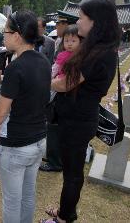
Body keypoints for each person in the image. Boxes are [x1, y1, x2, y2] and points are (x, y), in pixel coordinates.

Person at [41, 0, 120, 223]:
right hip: (75, 117)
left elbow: (66, 83)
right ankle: (66, 211)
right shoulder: (95, 48)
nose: (79, 21)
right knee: (71, 172)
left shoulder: (100, 53)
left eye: (83, 17)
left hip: (78, 121)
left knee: (72, 175)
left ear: (95, 22)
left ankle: (65, 218)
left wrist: (45, 79)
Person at [0, 11, 50, 223]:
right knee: (27, 195)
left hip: (16, 144)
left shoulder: (15, 67)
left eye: (5, 32)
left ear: (16, 35)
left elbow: (1, 109)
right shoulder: (43, 60)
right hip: (38, 141)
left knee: (12, 200)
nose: (3, 37)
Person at [39, 11, 79, 173]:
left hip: (62, 94)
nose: (56, 26)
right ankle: (54, 157)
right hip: (56, 90)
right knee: (53, 126)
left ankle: (55, 161)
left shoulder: (76, 55)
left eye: (60, 23)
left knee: (55, 127)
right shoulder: (60, 43)